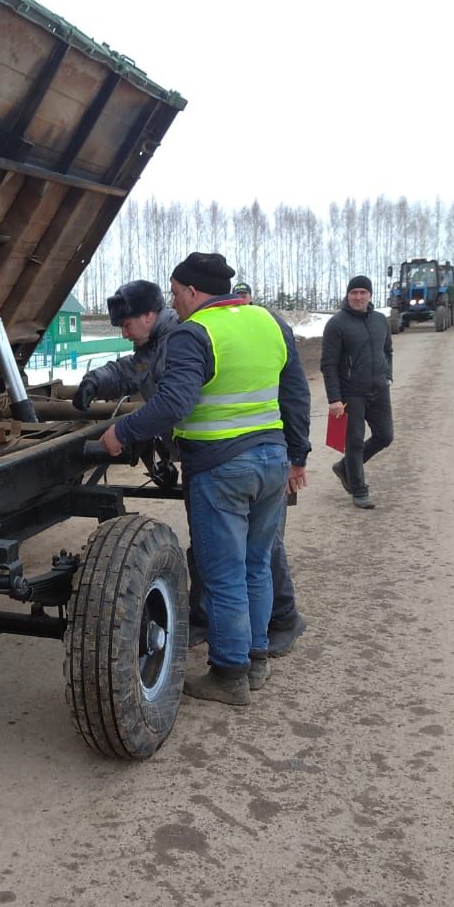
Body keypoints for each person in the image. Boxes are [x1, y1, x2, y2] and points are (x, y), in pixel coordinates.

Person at [100, 251, 312, 707]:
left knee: (224, 574)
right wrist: (298, 455)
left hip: (222, 469)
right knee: (256, 565)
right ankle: (255, 660)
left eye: (176, 293)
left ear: (194, 290)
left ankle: (230, 674)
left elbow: (173, 403)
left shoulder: (194, 334)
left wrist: (123, 431)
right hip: (272, 462)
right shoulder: (269, 322)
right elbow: (295, 392)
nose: (174, 303)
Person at [189, 278, 307, 658]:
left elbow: (294, 393)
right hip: (265, 456)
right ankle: (250, 653)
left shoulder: (251, 326)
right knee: (248, 559)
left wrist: (298, 457)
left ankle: (277, 626)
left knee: (250, 559)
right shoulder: (259, 326)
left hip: (240, 461)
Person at [320, 274, 393, 509]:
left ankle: (344, 468)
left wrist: (388, 375)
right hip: (352, 393)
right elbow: (328, 364)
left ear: (370, 295)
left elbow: (388, 351)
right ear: (347, 295)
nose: (358, 297)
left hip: (379, 390)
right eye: (354, 293)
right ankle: (359, 490)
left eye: (363, 292)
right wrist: (335, 399)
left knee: (385, 436)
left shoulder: (381, 320)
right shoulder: (337, 324)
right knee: (354, 442)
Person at [72, 280, 180, 412]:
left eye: (127, 325)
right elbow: (129, 372)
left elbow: (173, 402)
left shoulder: (182, 338)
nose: (124, 334)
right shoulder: (148, 350)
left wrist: (125, 429)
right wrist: (94, 382)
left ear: (148, 315)